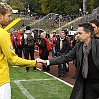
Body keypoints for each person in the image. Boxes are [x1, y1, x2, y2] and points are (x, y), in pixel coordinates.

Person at [36, 23, 99, 99]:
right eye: (77, 33)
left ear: (88, 34)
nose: (77, 35)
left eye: (80, 33)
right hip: (88, 83)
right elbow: (65, 58)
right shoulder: (79, 46)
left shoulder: (97, 45)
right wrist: (47, 62)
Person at [0, 2, 39, 99]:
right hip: (1, 81)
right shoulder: (3, 34)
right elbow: (13, 60)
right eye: (9, 16)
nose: (11, 19)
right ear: (0, 16)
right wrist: (34, 62)